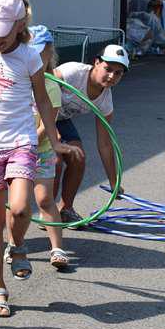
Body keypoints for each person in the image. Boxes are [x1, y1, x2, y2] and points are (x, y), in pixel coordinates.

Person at [0, 0, 81, 316]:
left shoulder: (30, 57)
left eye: (1, 32)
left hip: (21, 141)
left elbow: (42, 99)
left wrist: (55, 140)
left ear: (19, 25)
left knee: (19, 209)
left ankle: (16, 245)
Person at [4, 25, 71, 272]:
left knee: (44, 199)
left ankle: (57, 248)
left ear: (48, 54)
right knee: (15, 203)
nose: (33, 59)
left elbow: (47, 123)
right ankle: (13, 243)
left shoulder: (51, 86)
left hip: (41, 150)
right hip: (15, 151)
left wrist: (29, 142)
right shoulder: (15, 82)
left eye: (39, 54)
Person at [51, 44, 129, 225]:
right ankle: (47, 211)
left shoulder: (105, 101)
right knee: (54, 161)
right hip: (37, 112)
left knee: (78, 157)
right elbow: (41, 87)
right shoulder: (72, 72)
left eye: (118, 73)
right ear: (96, 63)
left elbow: (105, 143)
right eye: (108, 69)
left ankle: (66, 209)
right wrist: (50, 130)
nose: (112, 76)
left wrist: (114, 182)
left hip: (61, 119)